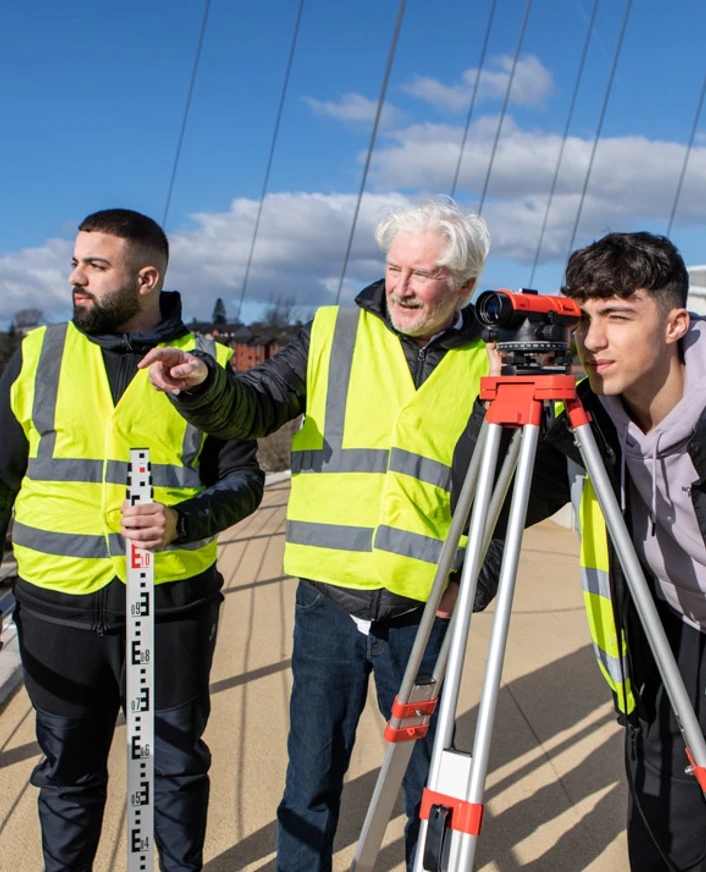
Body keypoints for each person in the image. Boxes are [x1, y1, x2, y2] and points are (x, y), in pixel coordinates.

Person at [138, 199, 502, 871]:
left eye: (424, 273)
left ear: (466, 285)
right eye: (395, 267)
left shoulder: (494, 360)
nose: (403, 286)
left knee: (426, 781)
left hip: (426, 606)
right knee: (309, 781)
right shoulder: (332, 331)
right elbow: (254, 405)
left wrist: (473, 578)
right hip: (327, 600)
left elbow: (508, 488)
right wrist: (201, 385)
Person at [0, 208, 264, 872]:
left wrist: (184, 522)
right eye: (74, 263)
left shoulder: (210, 366)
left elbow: (244, 480)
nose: (75, 279)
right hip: (55, 606)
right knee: (67, 771)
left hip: (172, 604)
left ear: (145, 279)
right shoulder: (40, 353)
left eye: (95, 265)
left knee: (173, 766)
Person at [453, 231, 706, 871]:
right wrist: (502, 399)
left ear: (676, 323)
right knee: (667, 836)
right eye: (584, 317)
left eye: (618, 317)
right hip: (669, 635)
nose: (592, 341)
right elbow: (490, 501)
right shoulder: (583, 411)